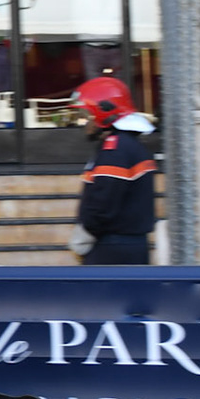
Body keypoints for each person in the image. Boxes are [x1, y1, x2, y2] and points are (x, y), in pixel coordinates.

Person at [69, 76, 157, 265]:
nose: (84, 123)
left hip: (112, 250)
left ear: (104, 113)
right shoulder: (132, 146)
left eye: (87, 115)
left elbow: (102, 205)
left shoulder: (115, 150)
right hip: (130, 247)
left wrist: (82, 238)